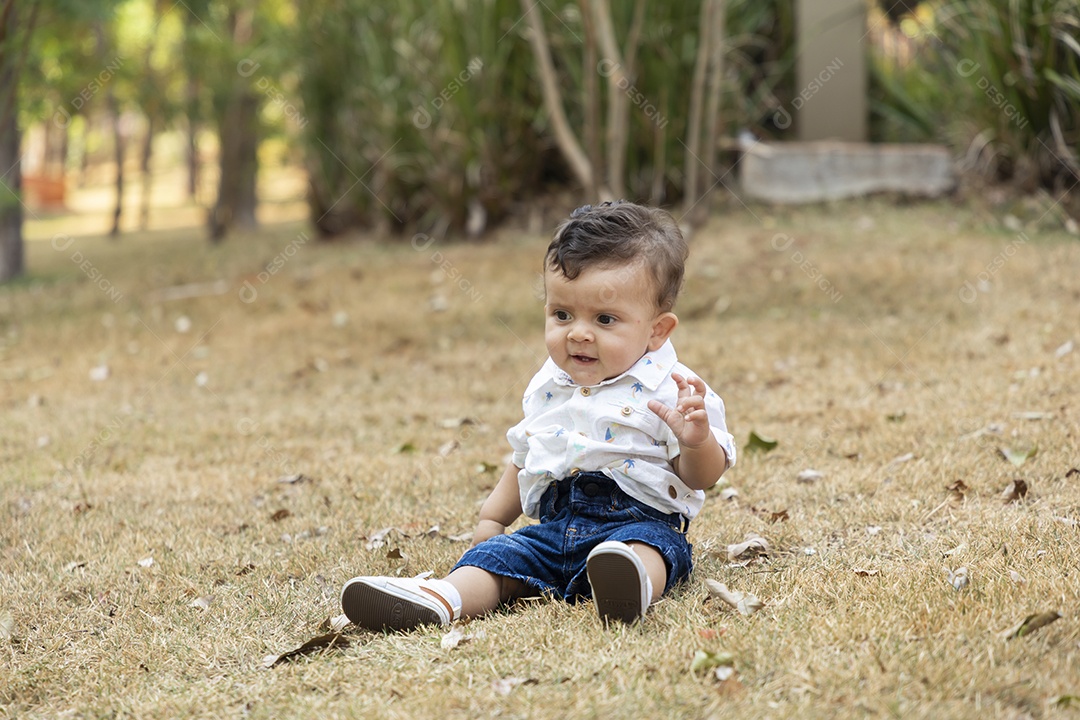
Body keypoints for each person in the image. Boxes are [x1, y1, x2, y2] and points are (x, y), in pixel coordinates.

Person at [341, 201, 736, 629]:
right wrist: (492, 519)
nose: (578, 333)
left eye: (605, 319)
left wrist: (698, 441)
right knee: (500, 557)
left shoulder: (676, 390)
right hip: (555, 529)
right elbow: (526, 456)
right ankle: (444, 597)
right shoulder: (550, 386)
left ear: (657, 330)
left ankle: (628, 585)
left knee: (650, 549)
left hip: (638, 522)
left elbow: (702, 477)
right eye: (562, 314)